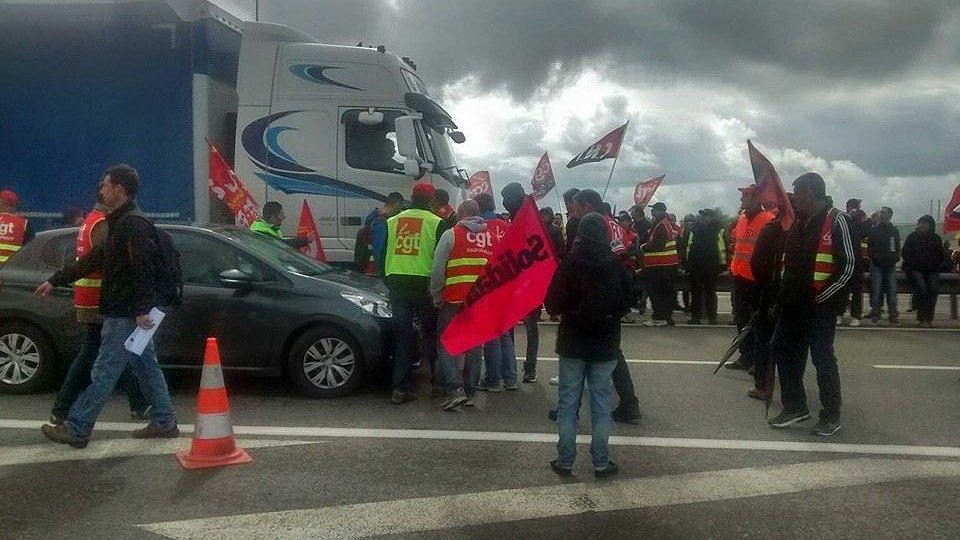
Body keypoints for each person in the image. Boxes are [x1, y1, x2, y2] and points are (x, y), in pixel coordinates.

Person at [36, 164, 179, 448]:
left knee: (104, 371)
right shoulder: (120, 222)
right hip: (128, 310)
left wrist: (140, 309)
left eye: (105, 184)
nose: (101, 189)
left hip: (126, 313)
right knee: (146, 365)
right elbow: (93, 259)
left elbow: (141, 268)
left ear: (119, 189)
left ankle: (77, 428)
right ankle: (165, 421)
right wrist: (56, 279)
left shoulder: (132, 225)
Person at [49, 182, 150, 425]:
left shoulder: (90, 220)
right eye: (105, 188)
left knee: (121, 352)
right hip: (101, 301)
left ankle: (139, 403)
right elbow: (110, 260)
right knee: (97, 356)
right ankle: (65, 411)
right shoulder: (103, 223)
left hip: (91, 297)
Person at [545, 212, 632, 478]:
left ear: (579, 234)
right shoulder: (617, 265)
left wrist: (570, 309)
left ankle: (565, 461)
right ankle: (601, 462)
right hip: (605, 342)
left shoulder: (569, 264)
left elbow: (552, 303)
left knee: (568, 403)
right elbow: (626, 304)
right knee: (601, 403)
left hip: (573, 341)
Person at [768, 172, 854, 437]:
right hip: (792, 304)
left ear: (812, 192)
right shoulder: (798, 222)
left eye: (798, 193)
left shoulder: (837, 220)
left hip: (819, 307)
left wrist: (824, 297)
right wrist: (780, 298)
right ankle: (795, 407)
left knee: (822, 359)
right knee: (781, 349)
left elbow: (849, 265)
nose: (793, 198)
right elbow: (789, 265)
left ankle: (830, 415)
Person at [384, 181, 444, 404]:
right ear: (431, 200)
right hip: (424, 283)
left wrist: (387, 278)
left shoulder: (392, 221)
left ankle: (400, 388)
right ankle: (437, 384)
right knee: (431, 334)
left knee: (403, 336)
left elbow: (382, 254)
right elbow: (440, 260)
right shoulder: (437, 223)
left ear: (411, 196)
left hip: (397, 282)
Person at [430, 199, 490, 410]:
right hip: (480, 301)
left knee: (446, 343)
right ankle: (471, 392)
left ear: (461, 214)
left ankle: (455, 389)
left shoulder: (452, 234)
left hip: (454, 299)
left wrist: (436, 294)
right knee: (474, 345)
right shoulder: (489, 238)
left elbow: (438, 268)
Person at [727, 185, 776, 370]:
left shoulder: (769, 220)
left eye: (745, 196)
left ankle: (759, 359)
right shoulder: (741, 219)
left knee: (757, 322)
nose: (741, 200)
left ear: (757, 198)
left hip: (757, 280)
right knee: (741, 319)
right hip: (739, 275)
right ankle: (746, 356)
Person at [475, 191, 518, 391]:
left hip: (488, 284)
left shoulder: (479, 228)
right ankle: (510, 378)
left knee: (490, 334)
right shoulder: (506, 226)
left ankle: (493, 379)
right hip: (506, 283)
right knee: (504, 333)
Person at [747, 211, 787, 400]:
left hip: (769, 294)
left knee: (764, 340)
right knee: (790, 345)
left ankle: (762, 385)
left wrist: (764, 285)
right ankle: (790, 390)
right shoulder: (803, 231)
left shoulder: (771, 231)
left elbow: (755, 262)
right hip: (792, 296)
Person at [640, 202, 680, 326]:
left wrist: (643, 247)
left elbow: (658, 245)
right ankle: (666, 317)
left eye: (654, 210)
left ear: (660, 211)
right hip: (668, 264)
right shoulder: (668, 224)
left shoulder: (661, 225)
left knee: (657, 293)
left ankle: (659, 317)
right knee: (666, 293)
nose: (652, 212)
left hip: (659, 264)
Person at [683, 209, 726, 325]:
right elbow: (687, 247)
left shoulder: (718, 230)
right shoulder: (694, 230)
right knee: (695, 293)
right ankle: (695, 317)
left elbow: (722, 248)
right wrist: (687, 265)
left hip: (712, 266)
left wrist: (723, 266)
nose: (702, 218)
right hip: (696, 266)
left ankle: (712, 317)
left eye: (705, 216)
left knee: (710, 292)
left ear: (711, 218)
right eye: (701, 216)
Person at [902, 215, 945, 327]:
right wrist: (914, 264)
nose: (922, 225)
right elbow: (906, 253)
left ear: (930, 226)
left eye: (925, 223)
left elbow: (940, 256)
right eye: (921, 223)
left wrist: (933, 265)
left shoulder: (936, 238)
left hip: (932, 270)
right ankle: (921, 318)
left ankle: (929, 318)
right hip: (915, 269)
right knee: (922, 289)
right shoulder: (912, 237)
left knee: (933, 290)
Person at [356, 192, 404, 275]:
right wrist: (383, 272)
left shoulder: (373, 218)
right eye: (400, 207)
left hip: (369, 268)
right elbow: (379, 250)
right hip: (375, 271)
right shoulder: (381, 223)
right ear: (397, 204)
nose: (400, 211)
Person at [867, 206, 900, 325]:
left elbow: (897, 249)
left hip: (890, 266)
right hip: (877, 265)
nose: (881, 214)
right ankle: (875, 314)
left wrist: (894, 259)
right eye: (881, 212)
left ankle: (893, 315)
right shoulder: (874, 230)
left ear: (890, 215)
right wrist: (877, 258)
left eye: (884, 212)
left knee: (892, 291)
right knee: (876, 291)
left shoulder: (894, 231)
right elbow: (869, 248)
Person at [843, 201, 870, 327]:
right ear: (848, 208)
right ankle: (839, 313)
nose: (855, 210)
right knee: (842, 289)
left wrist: (864, 219)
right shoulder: (843, 220)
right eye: (854, 208)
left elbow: (866, 233)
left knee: (857, 291)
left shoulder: (861, 222)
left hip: (858, 261)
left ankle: (856, 315)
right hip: (844, 260)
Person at [0, 189, 35, 265]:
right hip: (12, 269)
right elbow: (31, 249)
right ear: (15, 206)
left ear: (1, 203)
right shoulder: (24, 224)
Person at [562, 188, 581, 254]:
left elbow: (571, 245)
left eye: (566, 204)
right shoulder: (593, 219)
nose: (566, 207)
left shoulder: (573, 222)